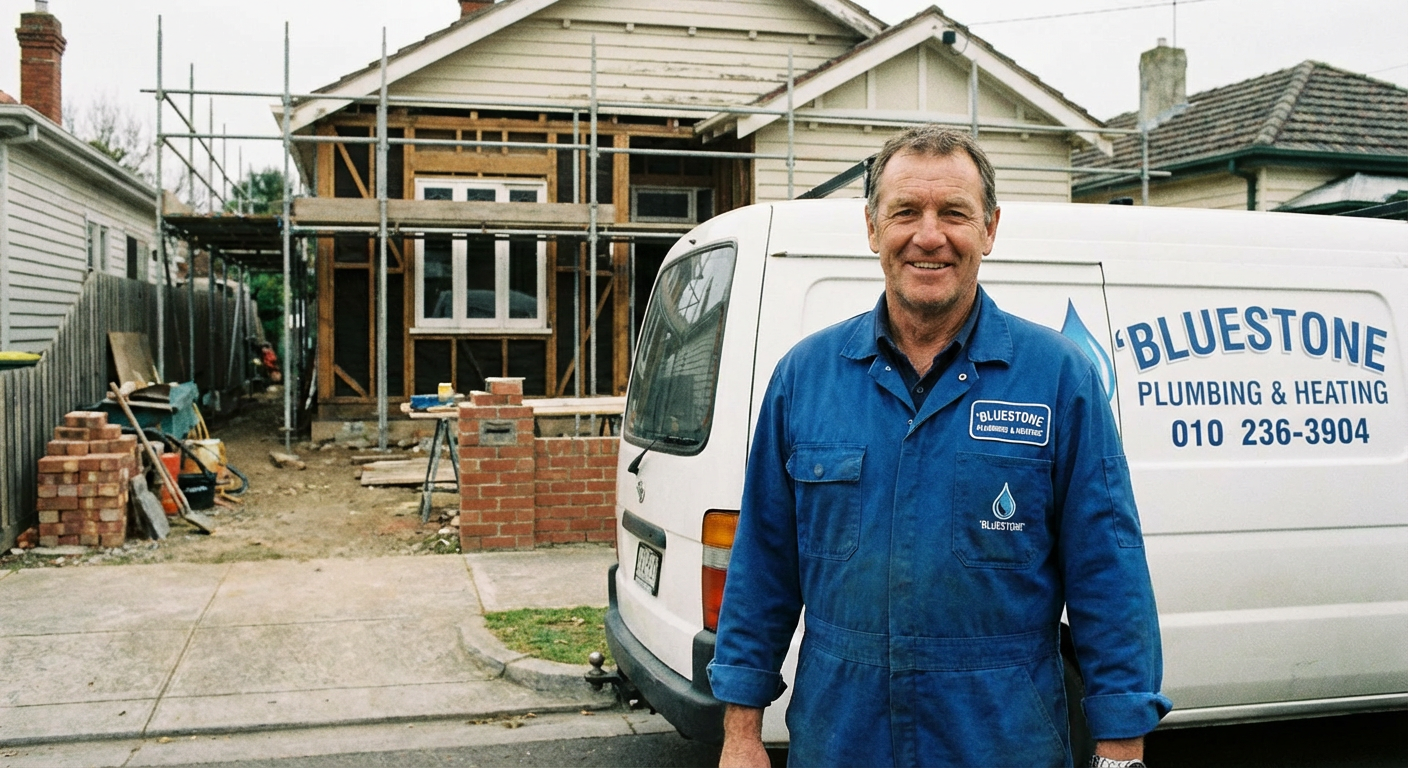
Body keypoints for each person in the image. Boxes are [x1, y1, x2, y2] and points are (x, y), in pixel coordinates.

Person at [707, 126, 1171, 768]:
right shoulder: (805, 379)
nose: (929, 236)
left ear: (990, 229)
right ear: (872, 228)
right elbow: (762, 568)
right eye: (905, 212)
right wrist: (741, 734)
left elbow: (1109, 576)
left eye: (954, 213)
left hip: (1002, 743)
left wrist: (1121, 751)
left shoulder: (1059, 379)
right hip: (841, 740)